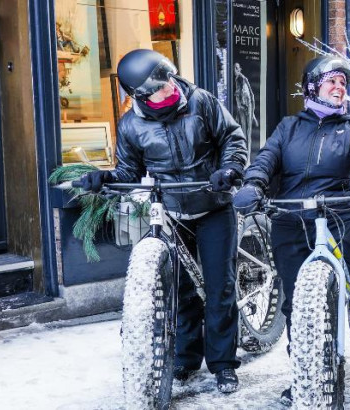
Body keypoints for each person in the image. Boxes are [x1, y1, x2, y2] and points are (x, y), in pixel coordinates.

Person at [231, 55, 350, 404]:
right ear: (311, 87)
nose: (339, 88)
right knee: (296, 302)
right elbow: (265, 160)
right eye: (332, 82)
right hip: (290, 219)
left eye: (343, 84)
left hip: (338, 215)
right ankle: (307, 372)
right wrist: (253, 185)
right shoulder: (288, 128)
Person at [76, 49, 247, 394]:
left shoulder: (201, 102)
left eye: (167, 79)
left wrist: (229, 170)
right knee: (183, 291)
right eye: (157, 86)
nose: (169, 87)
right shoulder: (131, 126)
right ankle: (186, 358)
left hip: (213, 206)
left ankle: (224, 365)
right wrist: (105, 178)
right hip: (172, 212)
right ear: (140, 96)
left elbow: (232, 138)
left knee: (219, 288)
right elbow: (130, 171)